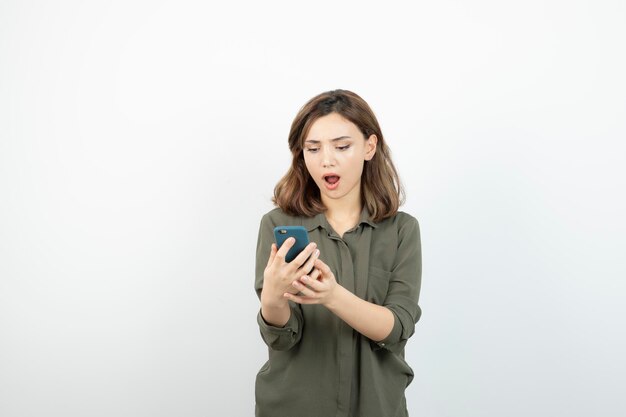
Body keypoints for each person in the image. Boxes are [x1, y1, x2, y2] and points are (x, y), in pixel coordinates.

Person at [254, 89, 422, 417]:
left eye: (342, 146)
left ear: (369, 147)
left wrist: (331, 296)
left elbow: (396, 328)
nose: (326, 160)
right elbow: (282, 338)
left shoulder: (402, 230)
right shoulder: (277, 224)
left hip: (377, 407)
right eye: (312, 149)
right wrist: (272, 298)